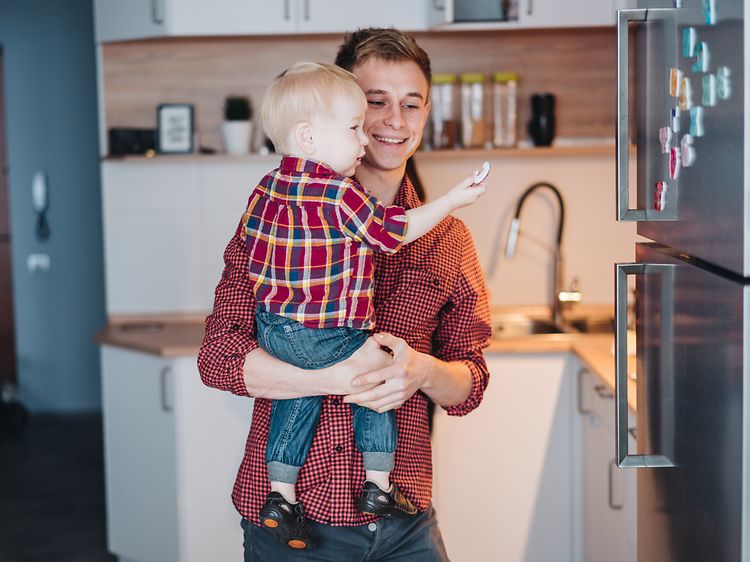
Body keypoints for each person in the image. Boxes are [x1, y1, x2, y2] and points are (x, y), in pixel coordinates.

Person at [198, 27, 492, 561]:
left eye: (411, 104)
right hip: (295, 524)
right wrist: (337, 376)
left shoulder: (449, 239)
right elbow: (219, 361)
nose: (393, 122)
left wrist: (422, 371)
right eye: (373, 103)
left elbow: (470, 382)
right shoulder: (276, 221)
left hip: (406, 526)